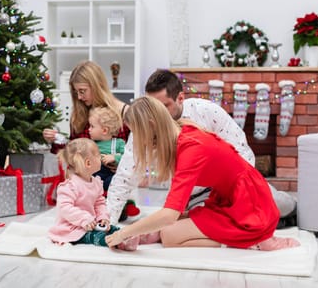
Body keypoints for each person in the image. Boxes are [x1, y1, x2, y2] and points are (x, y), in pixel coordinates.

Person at [106, 69, 297, 227]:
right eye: (152, 106)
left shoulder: (206, 111)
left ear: (180, 98)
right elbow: (125, 176)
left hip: (233, 184)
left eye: (164, 106)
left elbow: (241, 151)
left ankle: (289, 209)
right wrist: (108, 221)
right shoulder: (145, 128)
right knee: (183, 226)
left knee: (274, 205)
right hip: (194, 195)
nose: (157, 114)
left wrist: (237, 193)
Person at [42, 60, 140, 220]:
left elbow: (137, 153)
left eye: (82, 91)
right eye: (76, 93)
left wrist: (119, 163)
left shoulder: (124, 113)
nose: (79, 97)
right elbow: (71, 153)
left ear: (96, 85)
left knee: (109, 213)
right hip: (85, 187)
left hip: (116, 186)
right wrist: (56, 141)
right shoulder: (79, 115)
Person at [47, 138, 139, 251]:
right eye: (99, 155)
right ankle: (115, 243)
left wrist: (102, 217)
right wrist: (84, 219)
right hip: (72, 228)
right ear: (88, 163)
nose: (101, 157)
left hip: (92, 223)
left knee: (113, 229)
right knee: (95, 236)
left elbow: (99, 203)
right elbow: (65, 208)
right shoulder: (69, 186)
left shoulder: (96, 182)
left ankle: (126, 239)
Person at [88, 106, 125, 192]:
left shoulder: (119, 143)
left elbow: (127, 159)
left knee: (116, 181)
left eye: (92, 126)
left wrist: (115, 158)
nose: (89, 129)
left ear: (104, 130)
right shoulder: (90, 144)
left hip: (110, 176)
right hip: (94, 176)